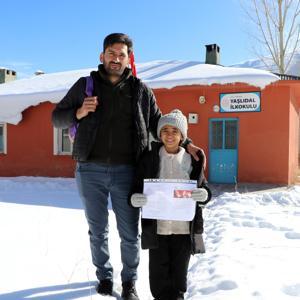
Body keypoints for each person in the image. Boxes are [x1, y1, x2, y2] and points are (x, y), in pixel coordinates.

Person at [52, 33, 202, 300]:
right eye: (112, 53)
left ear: (128, 58)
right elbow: (56, 119)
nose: (116, 59)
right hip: (89, 170)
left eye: (122, 55)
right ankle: (105, 278)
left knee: (129, 233)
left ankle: (129, 282)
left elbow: (160, 124)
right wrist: (78, 112)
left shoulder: (141, 90)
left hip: (128, 172)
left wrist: (186, 142)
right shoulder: (85, 85)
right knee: (97, 230)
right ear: (102, 56)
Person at [130, 109, 211, 300]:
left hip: (184, 230)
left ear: (182, 135)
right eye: (165, 130)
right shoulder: (149, 158)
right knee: (158, 278)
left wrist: (204, 194)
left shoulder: (193, 159)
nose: (169, 135)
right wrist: (134, 198)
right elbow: (135, 188)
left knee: (178, 277)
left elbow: (205, 188)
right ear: (159, 134)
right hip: (157, 230)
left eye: (175, 131)